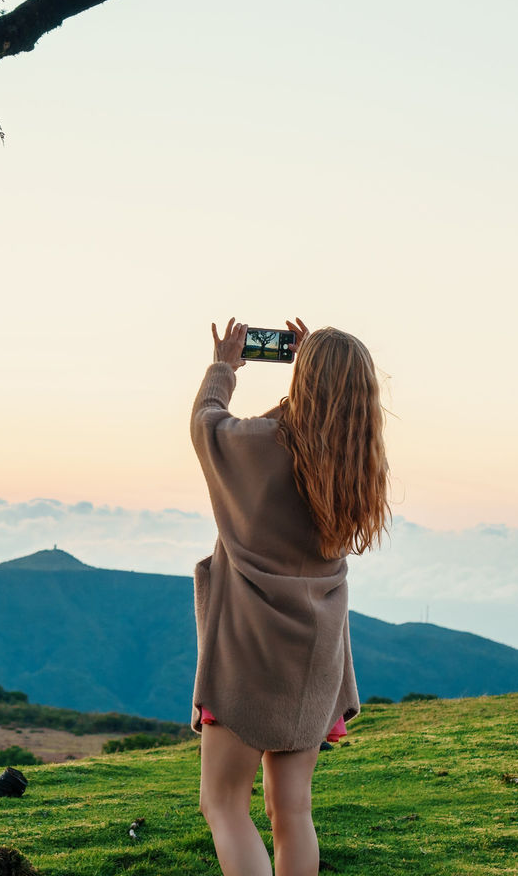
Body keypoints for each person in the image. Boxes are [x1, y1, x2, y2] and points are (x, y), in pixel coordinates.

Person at [191, 317, 391, 876]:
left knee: (224, 804)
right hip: (315, 653)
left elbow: (208, 425)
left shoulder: (261, 448)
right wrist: (315, 384)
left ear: (305, 383)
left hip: (251, 650)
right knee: (291, 811)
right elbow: (316, 429)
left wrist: (224, 367)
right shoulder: (355, 467)